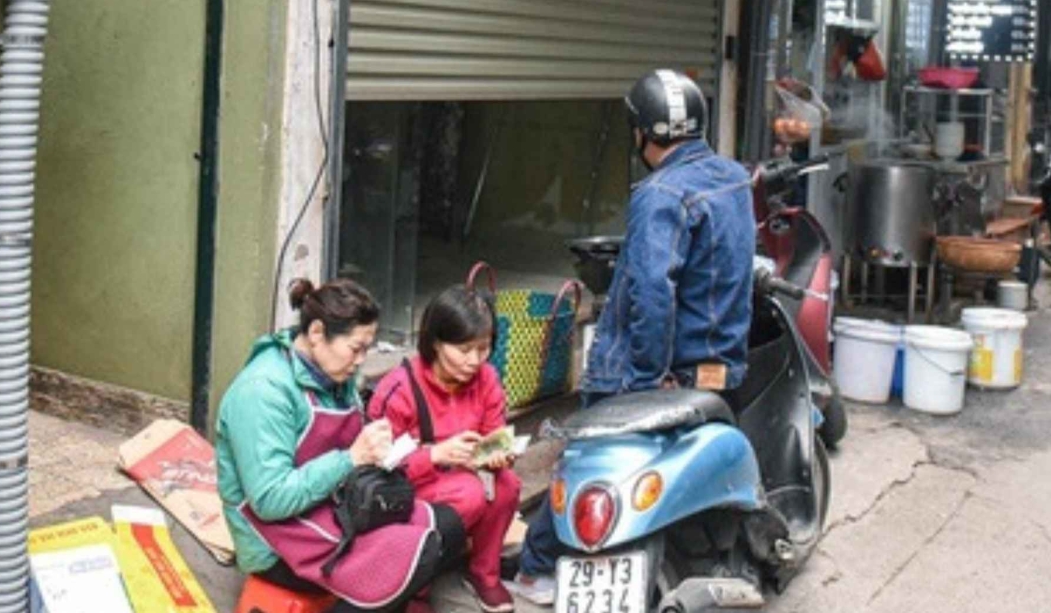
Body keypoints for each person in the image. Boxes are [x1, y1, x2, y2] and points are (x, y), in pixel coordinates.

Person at [507, 70, 758, 605]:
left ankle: (538, 566)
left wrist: (646, 378)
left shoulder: (659, 194)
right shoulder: (734, 179)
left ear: (642, 132)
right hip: (716, 368)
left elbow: (652, 291)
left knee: (582, 460)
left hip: (647, 374)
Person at [216, 279, 465, 613]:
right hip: (277, 540)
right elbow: (270, 501)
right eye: (355, 348)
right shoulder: (263, 391)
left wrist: (383, 451)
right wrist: (351, 458)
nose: (361, 361)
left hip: (332, 508)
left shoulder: (334, 374)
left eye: (367, 349)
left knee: (448, 526)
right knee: (418, 550)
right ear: (317, 333)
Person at [368, 287, 520, 613]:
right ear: (436, 342)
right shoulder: (400, 388)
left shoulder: (487, 378)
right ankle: (415, 585)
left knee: (507, 485)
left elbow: (495, 432)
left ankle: (484, 573)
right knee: (469, 493)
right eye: (464, 350)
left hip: (464, 474)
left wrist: (498, 455)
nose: (474, 360)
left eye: (483, 348)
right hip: (408, 484)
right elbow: (377, 465)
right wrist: (434, 455)